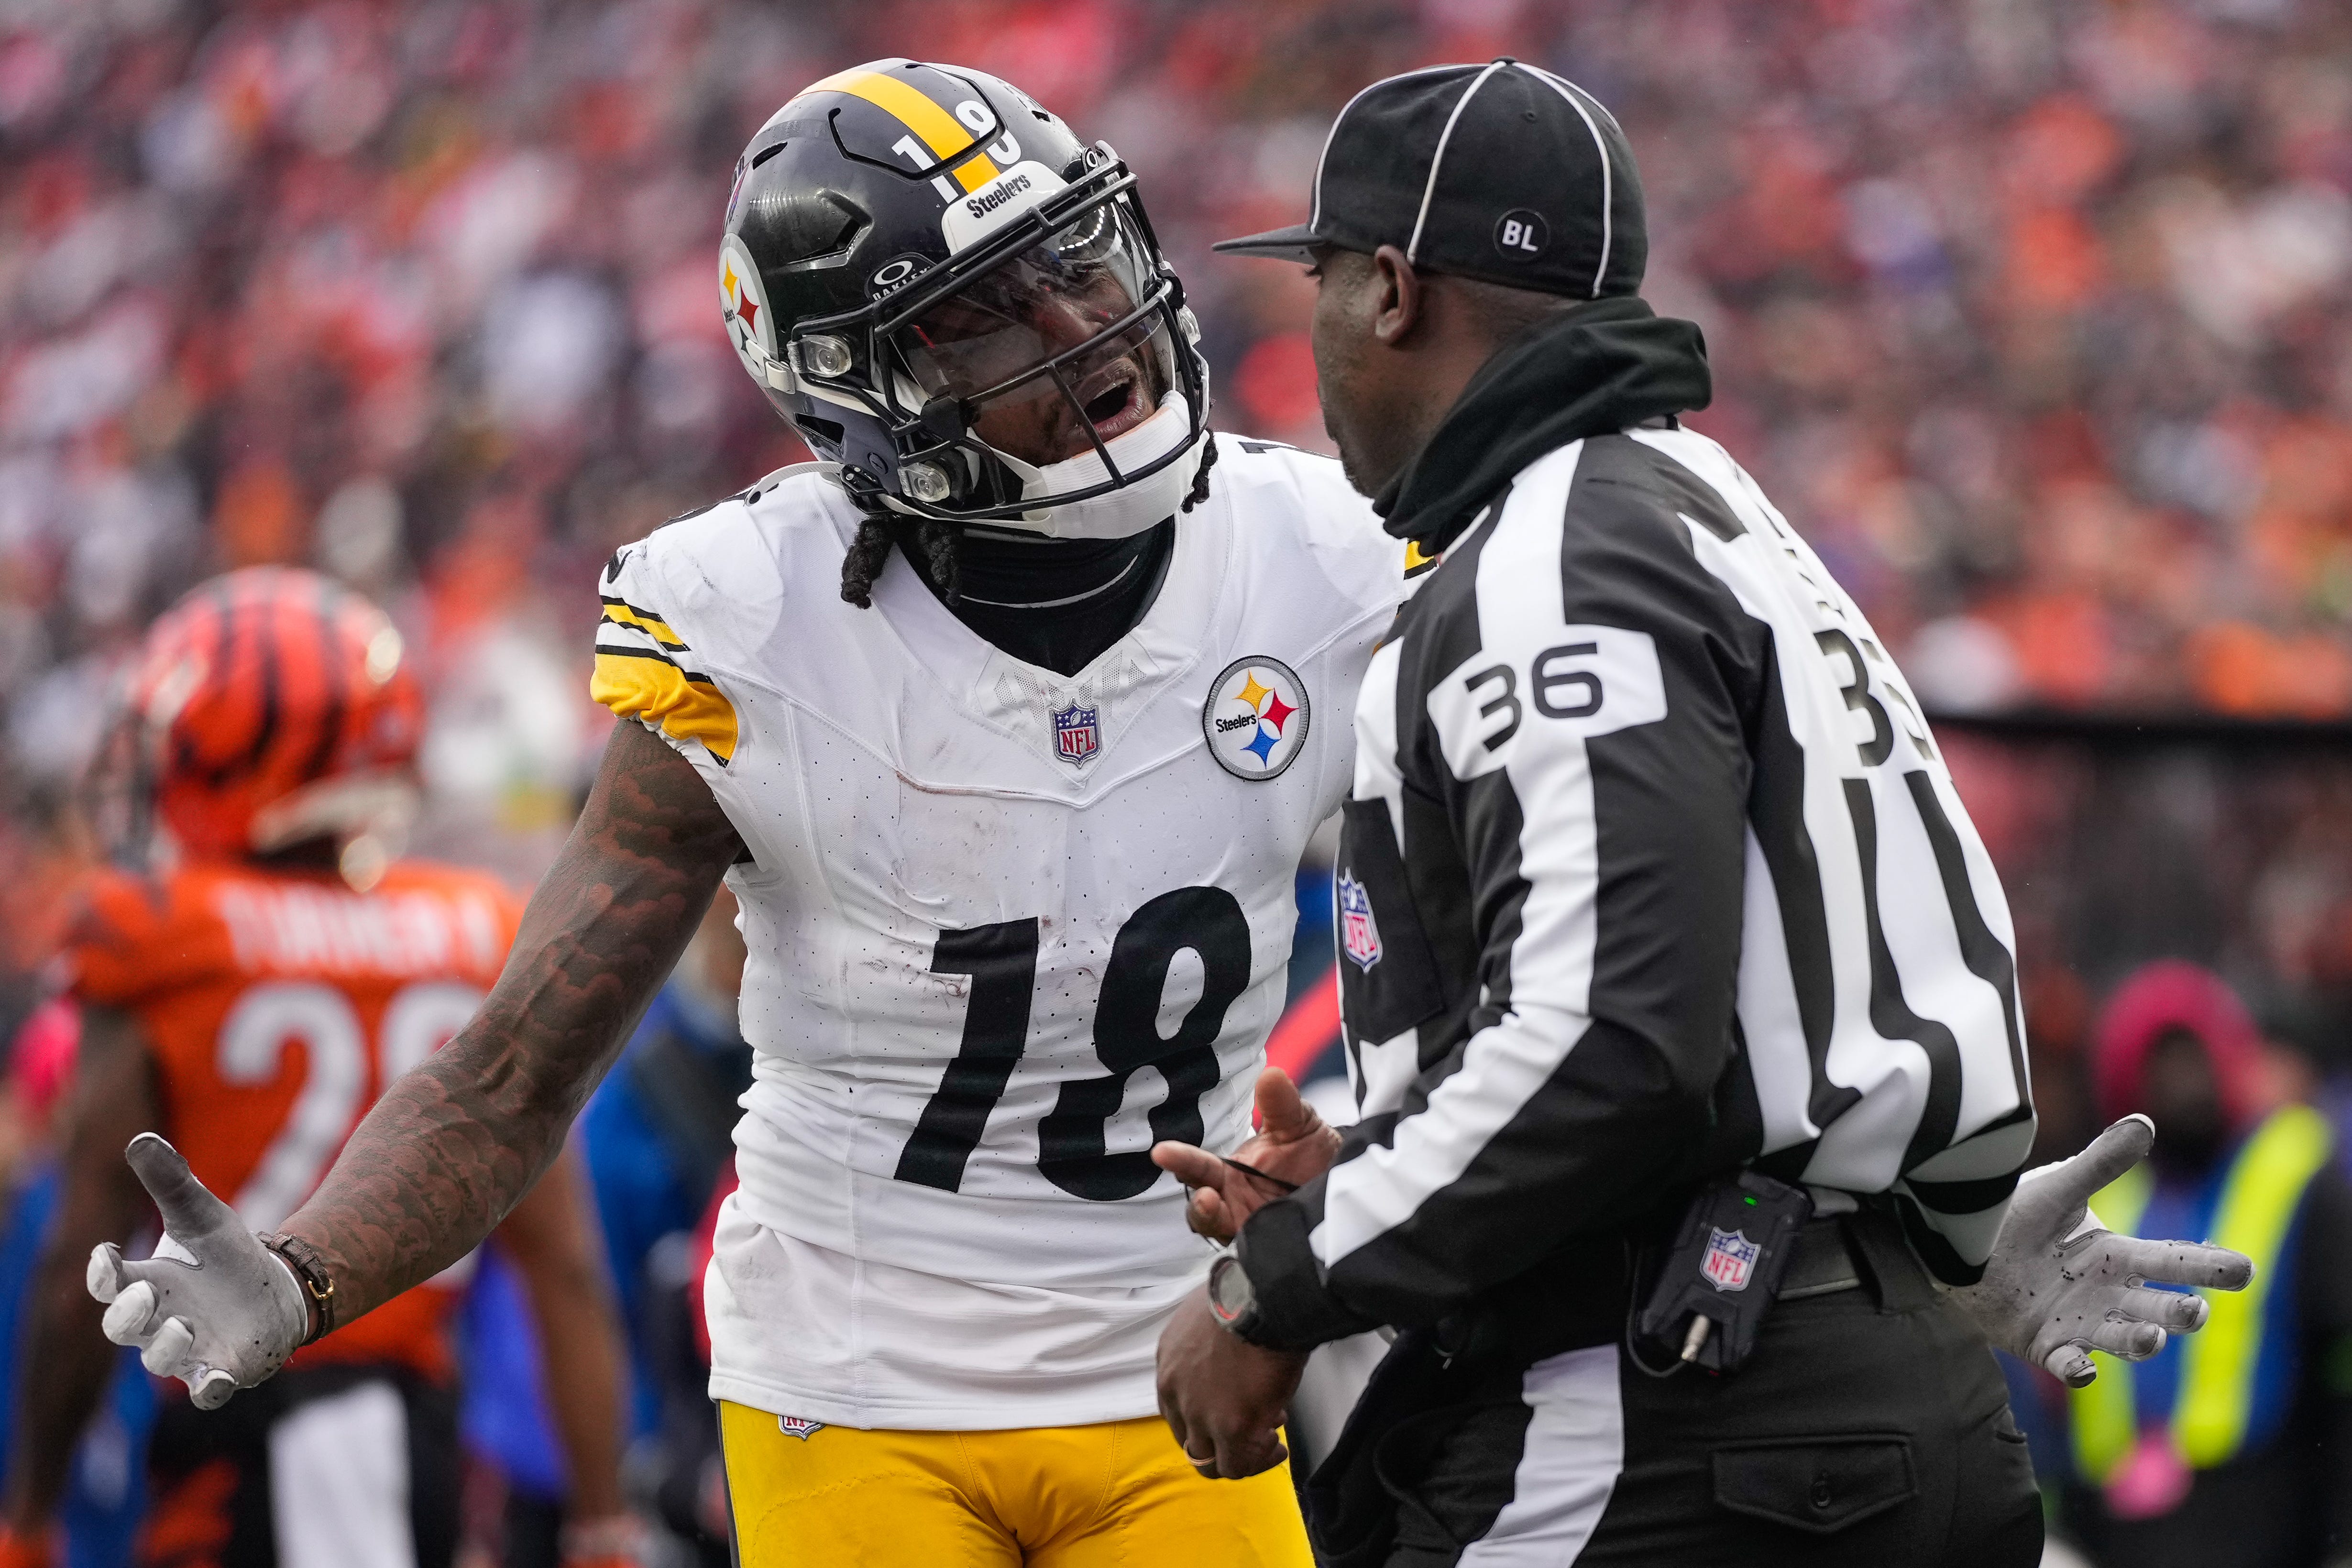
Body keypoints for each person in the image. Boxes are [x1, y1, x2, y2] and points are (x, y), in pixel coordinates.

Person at [75, 59, 2236, 1568]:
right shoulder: (737, 620)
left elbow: (1621, 951)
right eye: (985, 315)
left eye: (1079, 262)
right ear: (858, 394)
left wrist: (1909, 1235)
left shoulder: (1325, 552)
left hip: (1185, 1362)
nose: (1086, 332)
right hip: (858, 1370)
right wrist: (308, 1266)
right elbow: (511, 1068)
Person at [1153, 59, 2254, 1568]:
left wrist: (1275, 1284)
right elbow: (1726, 1008)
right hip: (1866, 1386)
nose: (1317, 331)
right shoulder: (1701, 502)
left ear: (1395, 289)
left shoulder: (1554, 553)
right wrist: (1385, 1165)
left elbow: (1613, 1041)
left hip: (1672, 1426)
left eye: (1328, 281)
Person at [0, 568, 638, 1568]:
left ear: (247, 749)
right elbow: (564, 1266)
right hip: (418, 1436)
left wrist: (28, 1511)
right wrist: (603, 1521)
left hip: (247, 1429)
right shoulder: (478, 926)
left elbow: (73, 1254)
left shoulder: (162, 937)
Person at [2060, 962, 2352, 1568]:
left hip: (2264, 1504)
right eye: (2159, 1065)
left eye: (2193, 1057)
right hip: (2125, 1522)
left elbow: (2337, 1347)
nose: (2182, 1083)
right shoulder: (2107, 1203)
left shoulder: (2293, 1163)